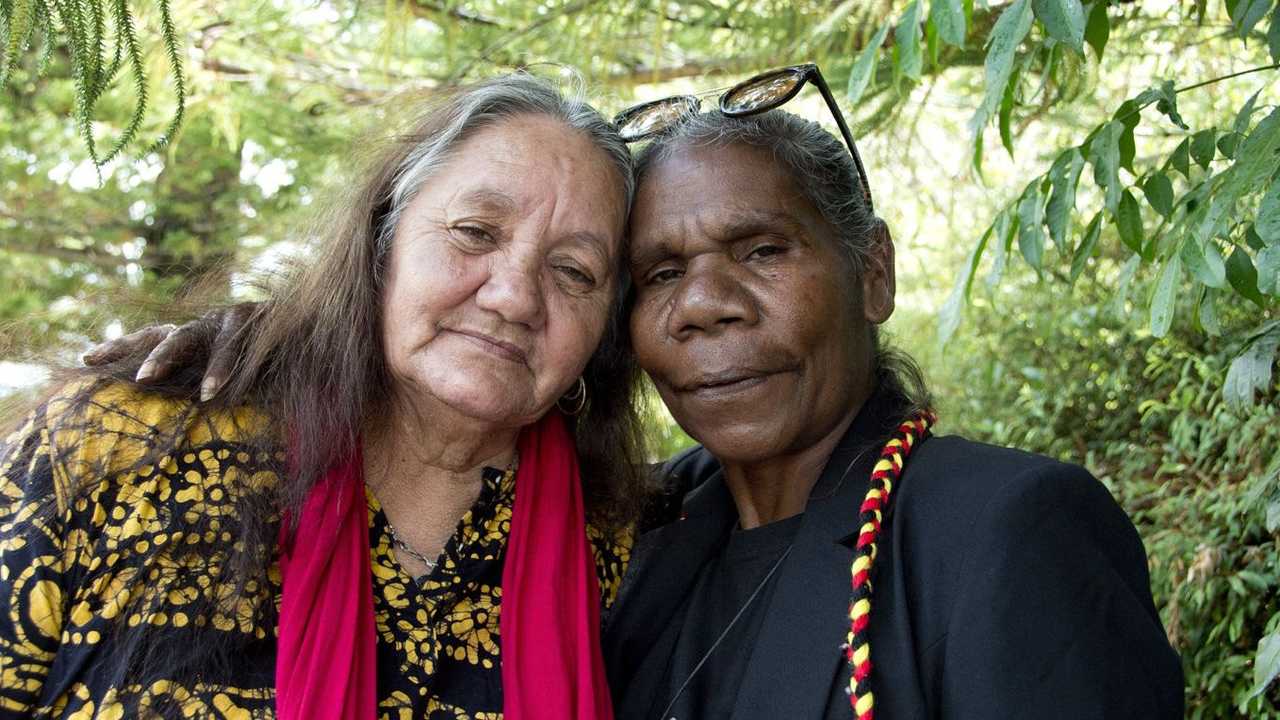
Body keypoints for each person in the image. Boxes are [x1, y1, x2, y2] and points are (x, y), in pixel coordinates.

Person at [79, 65, 1185, 719]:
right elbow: (463, 376)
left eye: (757, 251)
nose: (702, 306)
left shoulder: (1001, 529)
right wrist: (286, 350)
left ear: (873, 273)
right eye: (655, 274)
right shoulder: (630, 531)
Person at [0, 73, 645, 719]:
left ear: (605, 329)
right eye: (476, 231)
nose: (514, 297)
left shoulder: (627, 551)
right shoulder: (119, 449)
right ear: (381, 240)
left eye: (573, 272)